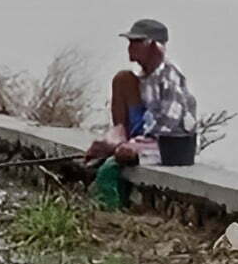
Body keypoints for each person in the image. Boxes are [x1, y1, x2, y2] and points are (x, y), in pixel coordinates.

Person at [85, 18, 198, 166]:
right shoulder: (144, 76)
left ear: (153, 46)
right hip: (145, 138)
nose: (130, 48)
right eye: (130, 43)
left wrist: (134, 145)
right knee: (123, 78)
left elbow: (168, 125)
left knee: (122, 155)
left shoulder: (169, 76)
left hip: (170, 146)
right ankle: (119, 135)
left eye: (136, 42)